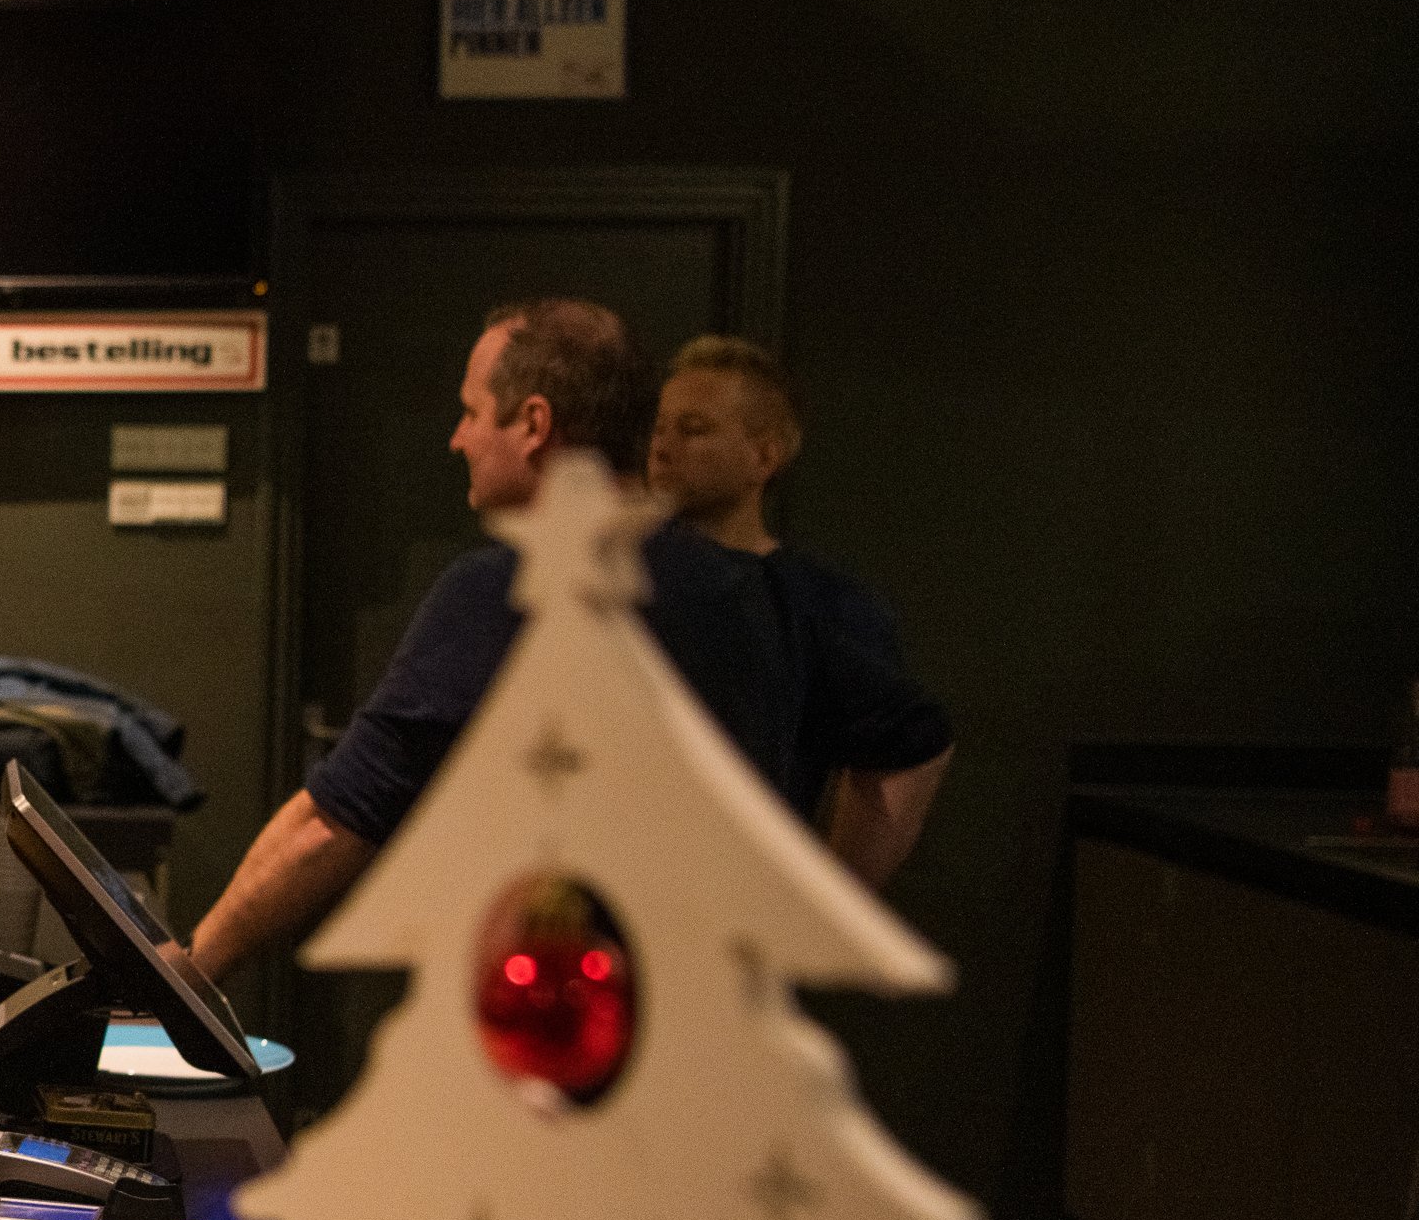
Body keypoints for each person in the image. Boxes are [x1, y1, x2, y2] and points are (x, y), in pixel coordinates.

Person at [189, 300, 947, 981]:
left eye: (472, 413)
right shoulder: (779, 598)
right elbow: (915, 750)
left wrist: (198, 963)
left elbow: (332, 821)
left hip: (561, 1030)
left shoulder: (505, 590)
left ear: (533, 425)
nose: (458, 439)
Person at [649, 334, 951, 881]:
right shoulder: (618, 575)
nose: (663, 447)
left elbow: (912, 745)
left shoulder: (816, 602)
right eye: (659, 427)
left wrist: (827, 894)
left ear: (764, 456)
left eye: (693, 429)